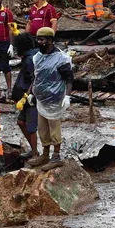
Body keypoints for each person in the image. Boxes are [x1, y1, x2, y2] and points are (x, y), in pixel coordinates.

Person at [27, 27, 73, 167]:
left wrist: (67, 96)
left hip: (55, 100)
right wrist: (30, 93)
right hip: (41, 100)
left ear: (50, 40)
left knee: (54, 128)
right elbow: (35, 77)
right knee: (42, 128)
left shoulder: (61, 59)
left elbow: (69, 79)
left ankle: (56, 156)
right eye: (38, 39)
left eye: (42, 40)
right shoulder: (37, 57)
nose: (39, 42)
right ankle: (45, 155)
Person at [12, 32, 40, 159]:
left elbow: (34, 79)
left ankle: (35, 154)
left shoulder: (30, 59)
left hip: (31, 98)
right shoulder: (29, 56)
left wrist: (27, 95)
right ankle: (33, 150)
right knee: (21, 122)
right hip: (25, 96)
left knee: (31, 127)